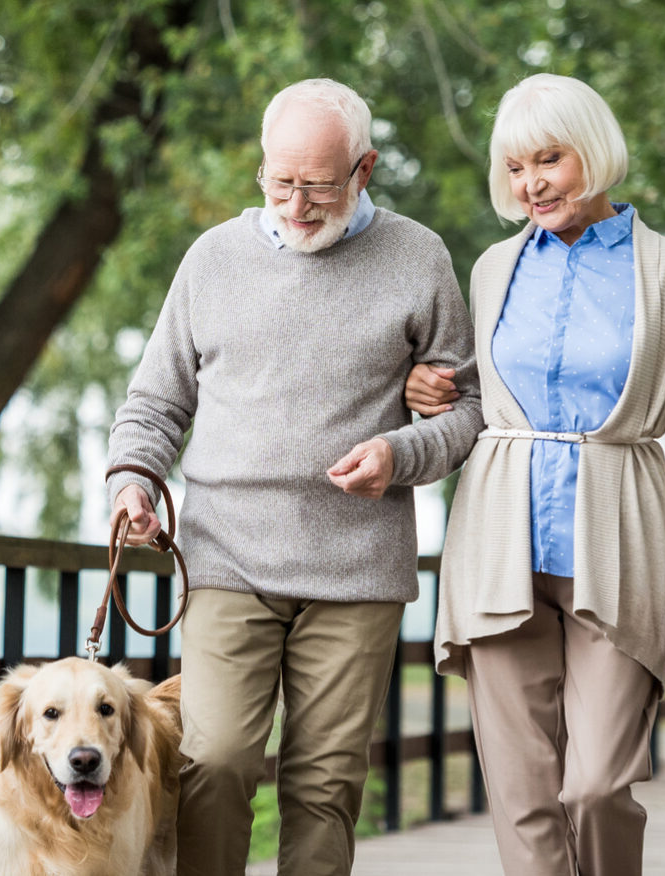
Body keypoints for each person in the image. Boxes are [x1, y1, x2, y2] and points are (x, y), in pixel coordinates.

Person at [105, 78, 478, 876]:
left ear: (365, 170)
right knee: (219, 760)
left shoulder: (419, 259)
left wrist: (399, 455)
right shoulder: (212, 260)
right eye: (282, 183)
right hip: (227, 557)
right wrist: (133, 479)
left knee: (325, 783)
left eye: (318, 185)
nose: (298, 205)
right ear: (261, 171)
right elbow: (154, 403)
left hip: (357, 569)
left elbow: (470, 411)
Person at [407, 73, 665, 876]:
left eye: (549, 160)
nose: (532, 185)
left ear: (593, 150)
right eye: (516, 169)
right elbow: (478, 398)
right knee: (523, 799)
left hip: (617, 546)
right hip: (496, 549)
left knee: (597, 787)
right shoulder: (491, 269)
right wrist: (428, 393)